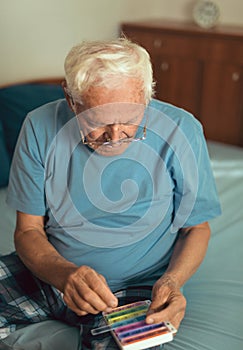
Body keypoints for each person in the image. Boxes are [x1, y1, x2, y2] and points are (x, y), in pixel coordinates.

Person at [1, 38, 221, 349]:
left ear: (146, 97)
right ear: (70, 98)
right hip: (49, 271)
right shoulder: (38, 126)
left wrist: (172, 283)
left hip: (139, 288)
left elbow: (196, 228)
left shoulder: (181, 130)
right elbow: (28, 230)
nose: (115, 136)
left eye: (131, 118)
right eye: (97, 121)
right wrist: (64, 275)